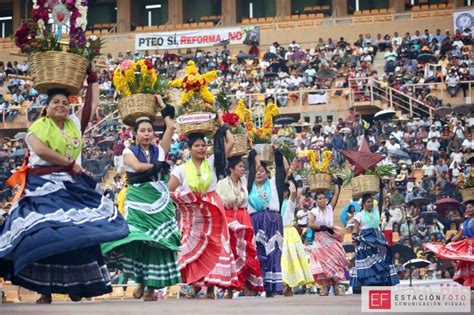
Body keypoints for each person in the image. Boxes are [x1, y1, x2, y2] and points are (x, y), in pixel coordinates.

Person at [0, 83, 129, 303]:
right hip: (41, 186)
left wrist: (93, 78)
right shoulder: (36, 128)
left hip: (70, 185)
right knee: (46, 232)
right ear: (47, 107)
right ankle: (45, 291)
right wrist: (69, 164)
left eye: (65, 102)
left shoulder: (74, 124)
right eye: (55, 102)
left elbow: (93, 103)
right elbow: (41, 151)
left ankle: (78, 284)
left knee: (78, 232)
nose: (61, 105)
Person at [101, 100, 181, 301]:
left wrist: (162, 104)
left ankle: (150, 289)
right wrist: (158, 165)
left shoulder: (159, 150)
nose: (146, 133)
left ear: (154, 134)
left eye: (149, 130)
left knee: (158, 243)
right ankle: (140, 281)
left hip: (159, 199)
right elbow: (136, 167)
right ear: (135, 134)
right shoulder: (129, 152)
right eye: (142, 130)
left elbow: (170, 126)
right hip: (137, 201)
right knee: (137, 240)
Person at [168, 129, 238, 299]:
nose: (201, 148)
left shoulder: (213, 162)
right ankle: (195, 285)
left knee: (215, 246)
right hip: (193, 213)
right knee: (190, 246)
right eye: (197, 146)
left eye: (203, 145)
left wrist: (222, 127)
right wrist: (184, 199)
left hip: (212, 210)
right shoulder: (181, 169)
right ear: (189, 149)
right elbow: (169, 189)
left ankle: (211, 288)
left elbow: (231, 142)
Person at [216, 156, 264, 298]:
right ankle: (231, 288)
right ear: (231, 168)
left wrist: (253, 154)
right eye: (240, 166)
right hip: (229, 218)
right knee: (231, 253)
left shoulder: (244, 182)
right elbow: (219, 203)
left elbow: (257, 167)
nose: (243, 169)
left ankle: (245, 284)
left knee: (246, 252)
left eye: (244, 166)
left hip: (243, 218)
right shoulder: (222, 183)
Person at [246, 148, 289, 297]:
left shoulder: (273, 184)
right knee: (258, 254)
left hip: (273, 221)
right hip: (255, 221)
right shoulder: (248, 185)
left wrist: (278, 154)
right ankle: (257, 286)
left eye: (262, 171)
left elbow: (284, 169)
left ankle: (272, 287)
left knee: (274, 254)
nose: (259, 173)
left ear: (267, 173)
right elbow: (252, 167)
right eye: (257, 170)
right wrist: (253, 154)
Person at [350, 182, 400, 293]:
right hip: (365, 241)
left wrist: (381, 187)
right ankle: (368, 285)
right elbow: (355, 229)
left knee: (382, 261)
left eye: (372, 202)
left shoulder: (377, 210)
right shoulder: (359, 215)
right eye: (368, 202)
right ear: (363, 203)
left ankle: (381, 284)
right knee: (367, 264)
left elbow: (382, 199)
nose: (370, 204)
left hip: (378, 239)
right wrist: (354, 237)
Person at [308, 180, 348, 296]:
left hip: (331, 238)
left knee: (335, 261)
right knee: (322, 264)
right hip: (320, 239)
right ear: (316, 201)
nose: (323, 200)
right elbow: (310, 224)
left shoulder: (330, 208)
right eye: (320, 198)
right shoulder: (313, 211)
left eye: (324, 198)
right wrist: (321, 227)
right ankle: (324, 288)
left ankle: (336, 287)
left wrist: (336, 184)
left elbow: (336, 194)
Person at [424, 202, 474, 288]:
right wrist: (448, 243)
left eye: (470, 207)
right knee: (468, 264)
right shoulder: (465, 222)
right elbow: (459, 235)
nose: (468, 210)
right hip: (467, 246)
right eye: (467, 208)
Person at [280, 179, 313, 296]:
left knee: (290, 260)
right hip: (278, 233)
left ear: (285, 192)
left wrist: (289, 180)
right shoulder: (274, 204)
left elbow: (293, 192)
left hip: (289, 232)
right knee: (283, 261)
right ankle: (286, 285)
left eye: (282, 191)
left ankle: (289, 286)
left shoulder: (289, 202)